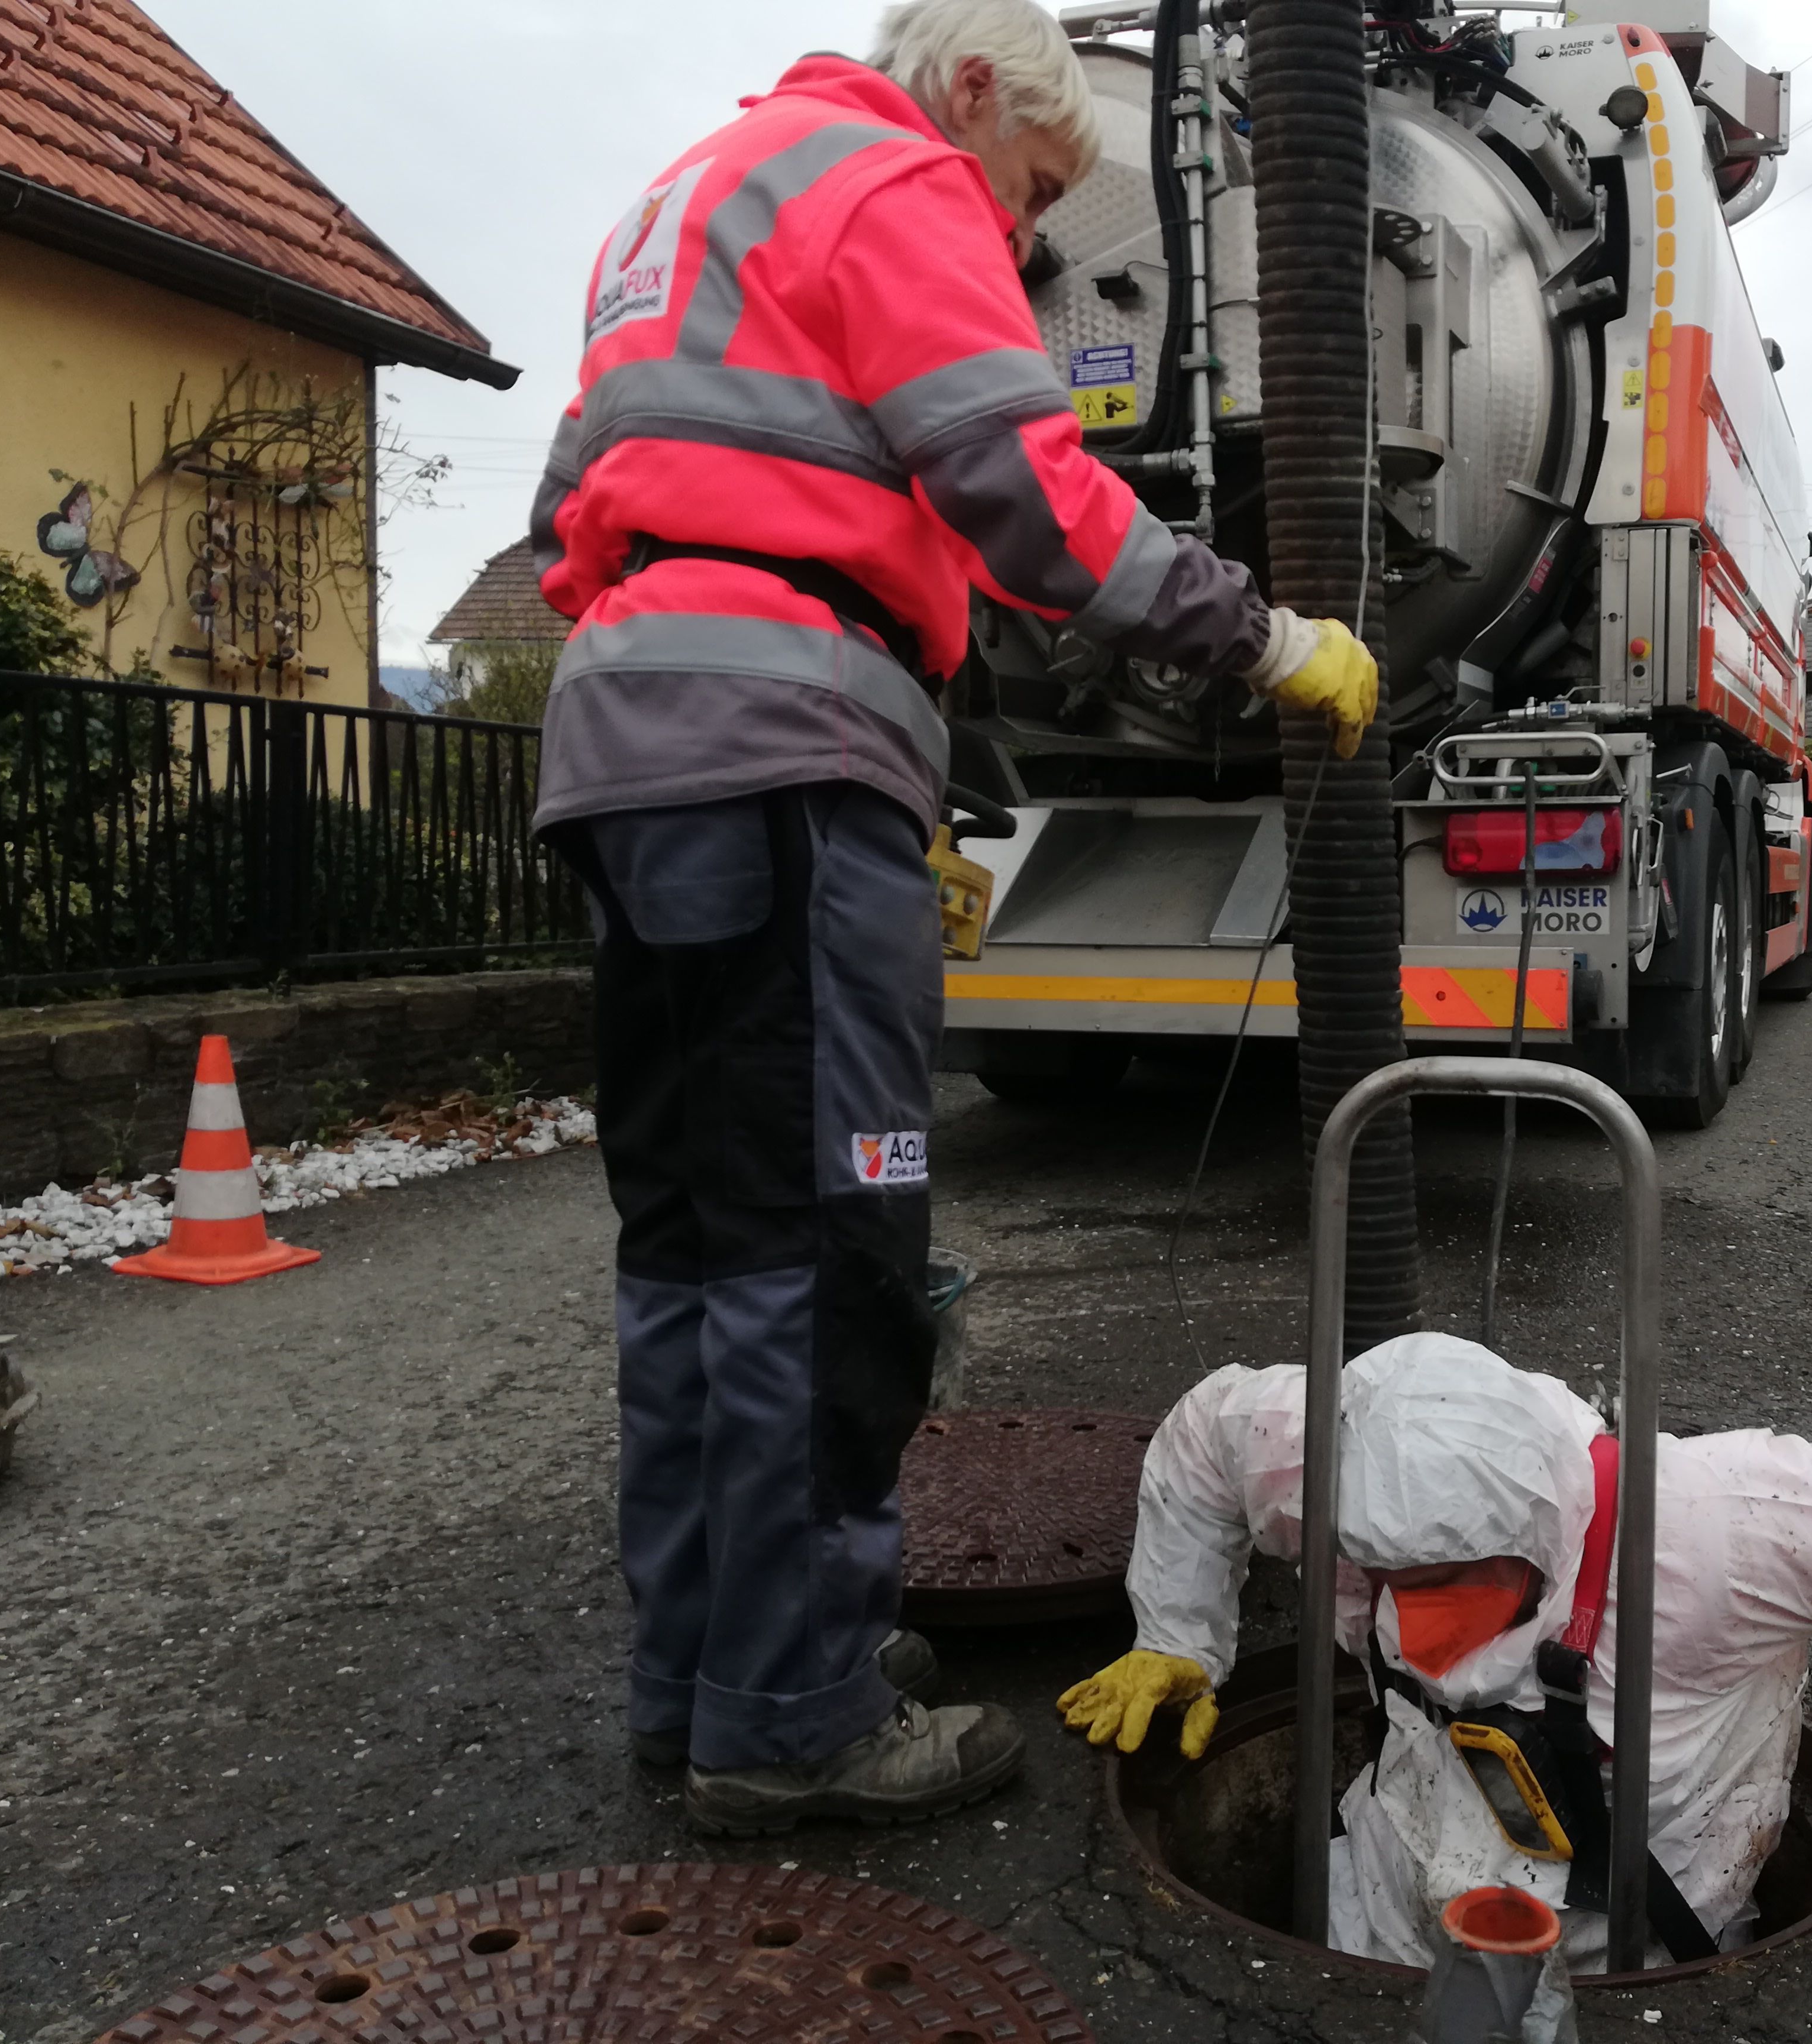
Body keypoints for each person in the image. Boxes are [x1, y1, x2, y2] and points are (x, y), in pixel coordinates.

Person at [531, 0, 1379, 1838]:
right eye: (1039, 189)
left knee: (691, 1245)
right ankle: (792, 1719)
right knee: (825, 1251)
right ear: (975, 92)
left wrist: (903, 695)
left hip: (628, 737)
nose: (1020, 238)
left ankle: (713, 1676)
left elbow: (571, 519)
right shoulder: (893, 176)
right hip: (777, 757)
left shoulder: (682, 204)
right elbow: (1027, 494)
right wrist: (1271, 637)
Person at [1060, 1335, 1812, 1965]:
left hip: (1650, 1918)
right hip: (1396, 1866)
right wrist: (1179, 1636)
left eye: (1463, 1581)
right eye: (1384, 1577)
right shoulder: (1308, 1450)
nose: (1419, 1626)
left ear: (1547, 1533)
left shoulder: (1720, 1529)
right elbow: (1200, 1440)